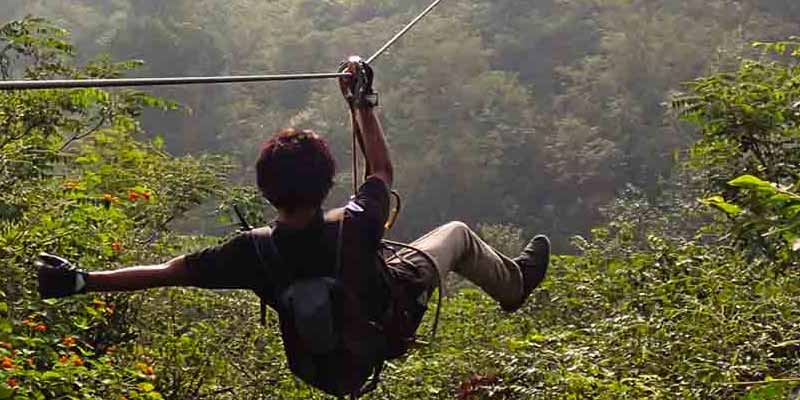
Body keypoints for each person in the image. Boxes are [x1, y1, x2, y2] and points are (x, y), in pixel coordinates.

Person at [36, 60, 550, 397]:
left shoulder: (251, 253)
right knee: (456, 233)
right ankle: (515, 285)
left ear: (265, 190)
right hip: (386, 323)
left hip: (323, 366)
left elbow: (168, 272)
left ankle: (510, 285)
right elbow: (381, 172)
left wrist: (83, 281)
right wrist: (361, 102)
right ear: (327, 182)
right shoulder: (356, 220)